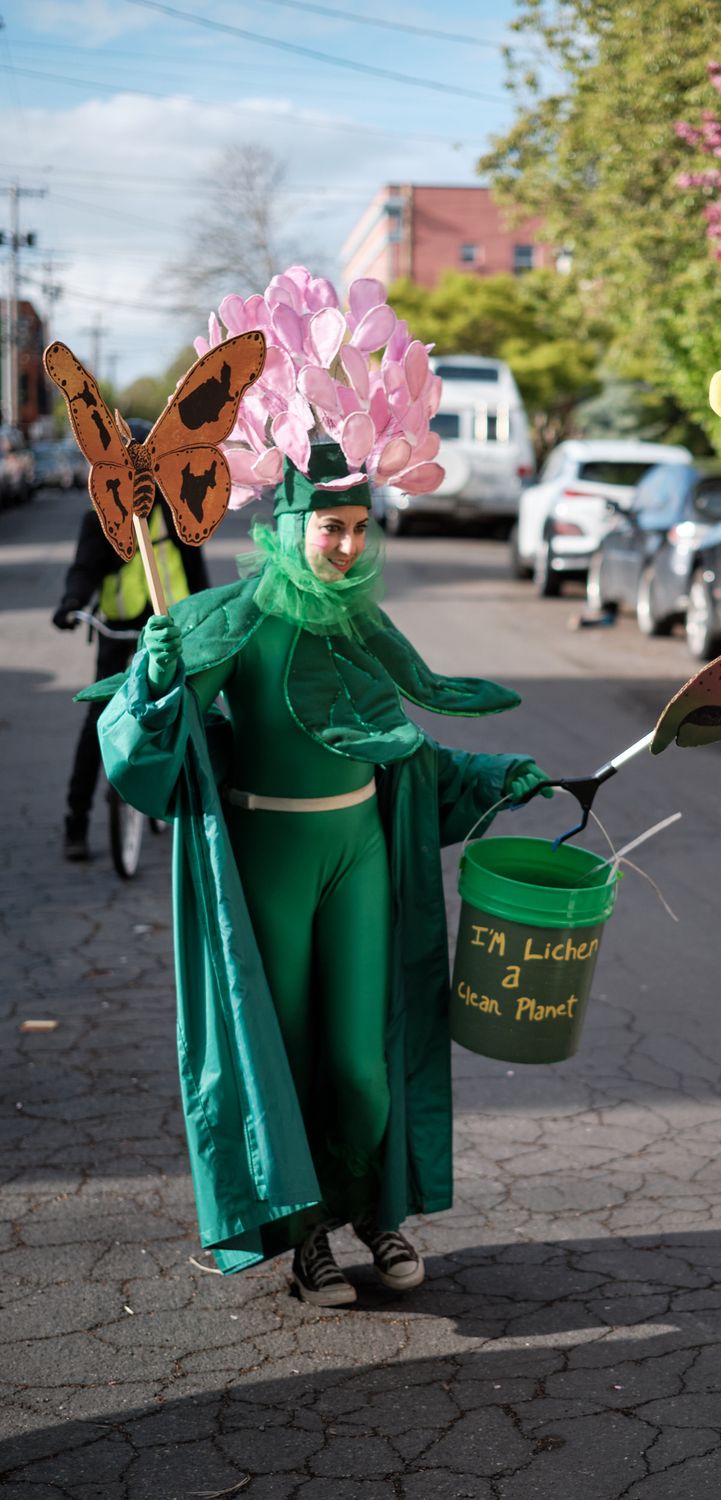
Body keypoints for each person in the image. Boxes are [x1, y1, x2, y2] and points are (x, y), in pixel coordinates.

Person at [85, 443, 552, 1305]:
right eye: (331, 527)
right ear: (289, 527)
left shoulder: (362, 622)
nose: (347, 546)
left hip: (359, 853)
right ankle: (308, 1241)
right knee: (288, 1056)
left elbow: (402, 747)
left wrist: (491, 778)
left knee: (362, 1062)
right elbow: (152, 752)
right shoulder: (236, 618)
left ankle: (377, 1214)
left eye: (361, 529)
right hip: (273, 856)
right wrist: (152, 681)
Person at [52, 418, 209, 861]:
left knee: (185, 711)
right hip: (119, 629)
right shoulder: (99, 518)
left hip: (170, 631)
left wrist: (209, 615)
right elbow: (84, 569)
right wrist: (70, 602)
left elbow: (196, 575)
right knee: (98, 719)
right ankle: (76, 820)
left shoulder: (175, 513)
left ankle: (185, 803)